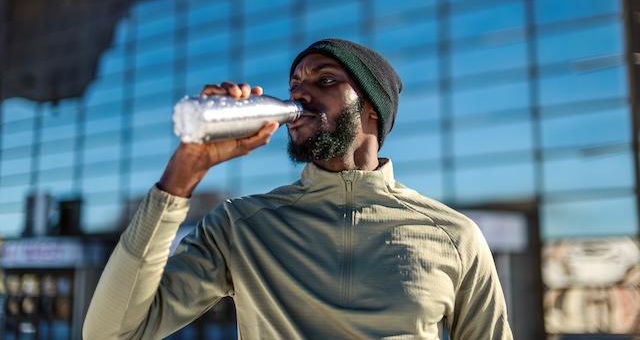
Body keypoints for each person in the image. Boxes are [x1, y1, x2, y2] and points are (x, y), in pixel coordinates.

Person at [83, 38, 513, 339]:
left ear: (371, 109)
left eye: (324, 81)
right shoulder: (241, 226)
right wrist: (183, 172)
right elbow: (112, 333)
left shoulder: (454, 236)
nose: (301, 96)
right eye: (294, 86)